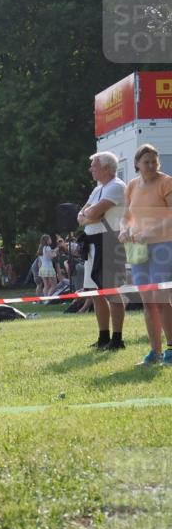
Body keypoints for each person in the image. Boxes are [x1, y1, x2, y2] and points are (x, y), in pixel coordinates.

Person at [120, 143, 172, 366]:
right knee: (147, 302)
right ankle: (155, 351)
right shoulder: (132, 185)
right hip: (138, 249)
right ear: (137, 164)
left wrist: (150, 232)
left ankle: (170, 349)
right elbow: (126, 216)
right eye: (146, 162)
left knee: (161, 300)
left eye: (154, 161)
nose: (151, 165)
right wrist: (124, 229)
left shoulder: (166, 182)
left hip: (163, 246)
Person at [78, 151, 128, 351]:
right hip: (92, 242)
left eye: (94, 165)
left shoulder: (116, 186)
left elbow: (94, 212)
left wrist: (88, 215)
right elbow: (82, 214)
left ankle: (117, 339)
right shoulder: (98, 189)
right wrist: (88, 216)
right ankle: (103, 337)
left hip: (108, 242)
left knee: (112, 293)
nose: (91, 169)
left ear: (107, 168)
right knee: (95, 293)